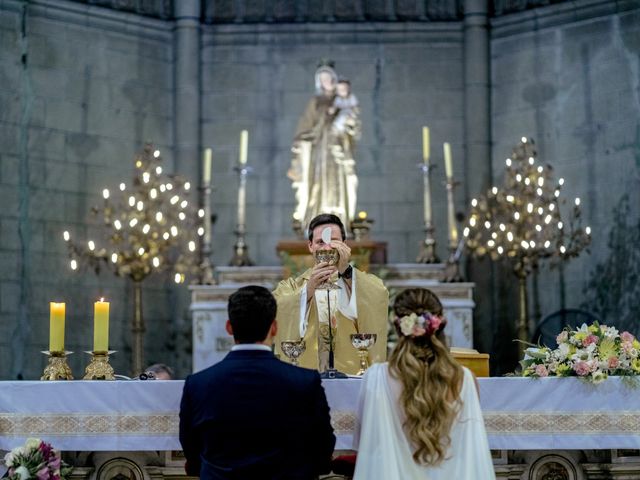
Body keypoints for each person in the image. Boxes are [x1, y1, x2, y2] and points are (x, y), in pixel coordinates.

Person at [179, 286, 336, 480]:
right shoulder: (305, 382)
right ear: (274, 328)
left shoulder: (197, 384)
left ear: (229, 327)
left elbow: (192, 451)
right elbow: (323, 448)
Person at [352, 288, 495, 479]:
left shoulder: (375, 378)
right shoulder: (465, 379)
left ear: (397, 325)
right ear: (440, 324)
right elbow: (472, 450)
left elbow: (365, 444)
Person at [273, 213, 388, 375]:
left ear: (344, 245)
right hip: (306, 375)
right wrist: (309, 290)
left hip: (351, 373)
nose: (327, 248)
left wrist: (346, 272)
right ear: (310, 246)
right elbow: (279, 306)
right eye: (320, 242)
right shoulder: (291, 288)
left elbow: (379, 295)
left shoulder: (361, 282)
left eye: (334, 241)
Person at [288, 61, 360, 233]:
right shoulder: (316, 101)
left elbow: (354, 122)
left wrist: (349, 122)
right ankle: (316, 220)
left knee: (338, 183)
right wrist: (301, 140)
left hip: (338, 149)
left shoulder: (343, 99)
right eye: (322, 79)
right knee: (318, 184)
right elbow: (306, 125)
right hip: (319, 150)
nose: (326, 82)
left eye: (328, 78)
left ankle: (340, 221)